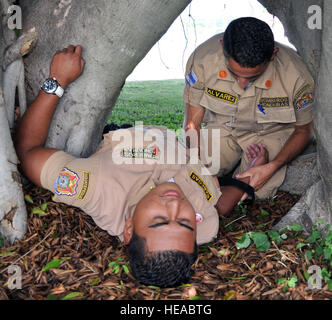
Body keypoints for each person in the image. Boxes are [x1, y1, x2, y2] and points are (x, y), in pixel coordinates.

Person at [15, 45, 267, 288]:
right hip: (185, 149)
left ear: (129, 228)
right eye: (185, 222)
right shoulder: (204, 228)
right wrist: (246, 182)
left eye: (159, 219)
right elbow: (218, 206)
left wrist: (57, 80)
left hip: (129, 139)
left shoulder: (94, 188)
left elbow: (27, 153)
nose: (176, 206)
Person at [183, 17, 314, 200]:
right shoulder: (202, 61)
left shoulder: (297, 76)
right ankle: (224, 183)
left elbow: (304, 130)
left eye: (253, 77)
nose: (242, 83)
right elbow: (192, 124)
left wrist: (272, 166)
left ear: (273, 55)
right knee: (189, 177)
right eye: (234, 74)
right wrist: (199, 166)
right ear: (223, 47)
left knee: (256, 191)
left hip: (269, 134)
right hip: (225, 127)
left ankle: (235, 182)